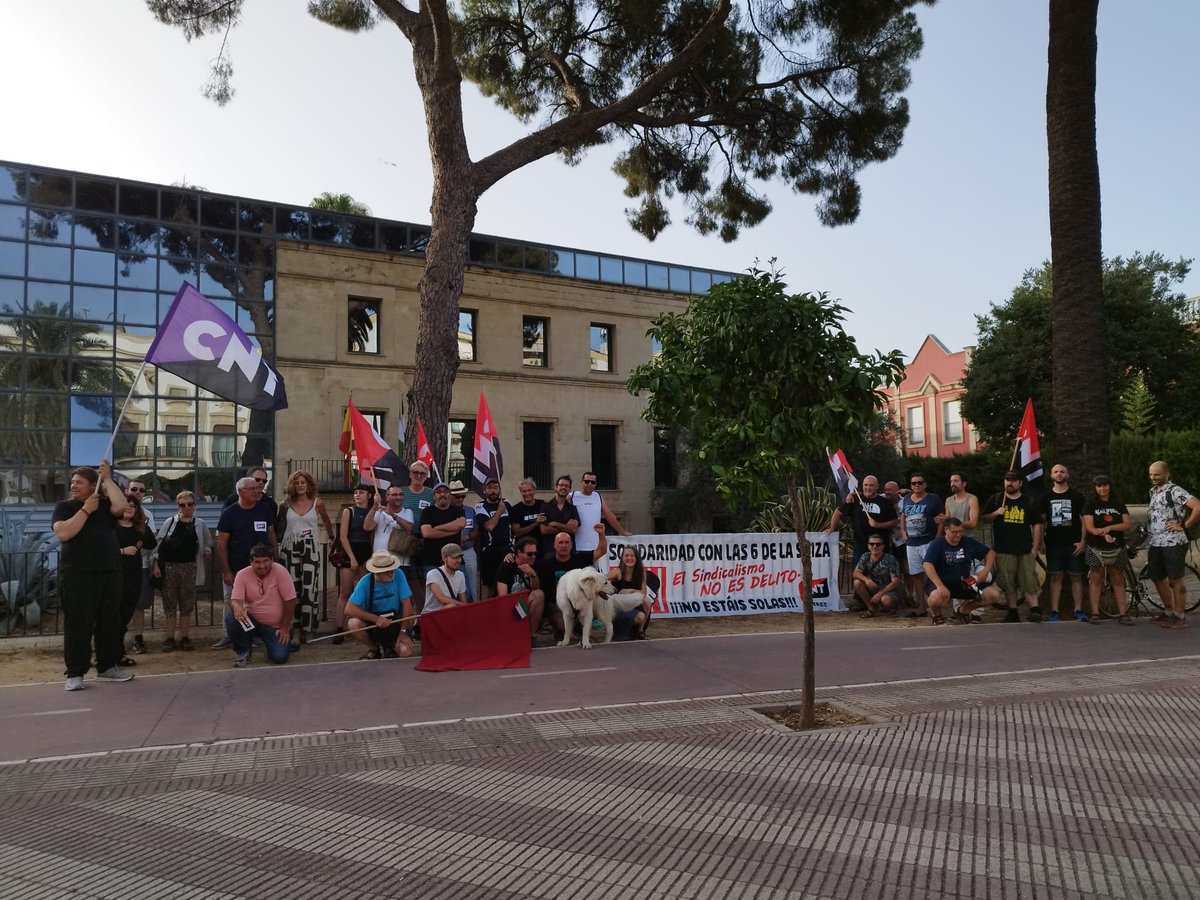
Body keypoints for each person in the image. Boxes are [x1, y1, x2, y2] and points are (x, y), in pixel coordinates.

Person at [51, 461, 131, 691]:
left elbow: (121, 506)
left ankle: (107, 667)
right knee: (78, 624)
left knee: (110, 622)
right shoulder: (65, 506)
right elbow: (64, 533)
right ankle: (75, 672)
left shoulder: (104, 505)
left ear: (92, 485)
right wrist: (86, 509)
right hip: (77, 574)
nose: (74, 486)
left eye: (80, 482)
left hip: (109, 572)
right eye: (72, 482)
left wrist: (106, 479)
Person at [214, 475, 278, 649]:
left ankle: (256, 634)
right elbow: (222, 545)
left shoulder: (264, 509)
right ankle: (229, 635)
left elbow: (272, 536)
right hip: (236, 568)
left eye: (259, 488)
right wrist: (226, 571)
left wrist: (276, 561)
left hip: (262, 568)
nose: (258, 491)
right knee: (232, 601)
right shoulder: (229, 513)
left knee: (259, 601)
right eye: (253, 489)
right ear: (241, 492)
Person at [277, 470, 335, 648]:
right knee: (292, 588)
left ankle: (307, 628)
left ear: (309, 485)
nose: (300, 485)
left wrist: (332, 538)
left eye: (303, 482)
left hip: (310, 548)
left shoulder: (318, 503)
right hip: (289, 548)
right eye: (297, 483)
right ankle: (292, 627)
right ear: (292, 486)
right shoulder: (285, 505)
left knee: (309, 588)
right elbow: (278, 526)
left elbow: (326, 521)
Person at [151, 490, 213, 652]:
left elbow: (207, 543)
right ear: (177, 506)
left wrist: (206, 550)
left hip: (190, 567)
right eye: (182, 505)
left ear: (195, 506)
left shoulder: (200, 524)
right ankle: (169, 637)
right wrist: (156, 564)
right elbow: (159, 545)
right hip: (170, 567)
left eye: (190, 504)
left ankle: (185, 636)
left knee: (187, 603)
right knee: (169, 604)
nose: (186, 507)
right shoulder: (170, 522)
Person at [982, 470, 1044, 623]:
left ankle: (1035, 610)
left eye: (1014, 480)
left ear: (1020, 483)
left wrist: (1035, 548)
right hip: (1003, 549)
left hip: (1025, 549)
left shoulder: (1028, 501)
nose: (1010, 483)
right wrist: (996, 513)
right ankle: (1013, 611)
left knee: (1029, 580)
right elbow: (985, 518)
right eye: (1007, 480)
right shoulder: (996, 500)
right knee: (1008, 582)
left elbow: (1037, 524)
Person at [1146, 460, 1200, 628]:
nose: (1153, 477)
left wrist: (1183, 525)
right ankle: (1168, 611)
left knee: (1176, 579)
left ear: (1166, 474)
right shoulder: (1152, 491)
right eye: (1151, 474)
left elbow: (1197, 506)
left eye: (1157, 474)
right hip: (1156, 541)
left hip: (1174, 541)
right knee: (1156, 576)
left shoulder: (1175, 490)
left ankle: (1180, 616)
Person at [225, 543, 296, 667]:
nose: (262, 566)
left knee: (279, 657)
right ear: (250, 562)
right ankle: (243, 651)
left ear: (272, 560)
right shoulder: (242, 574)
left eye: (265, 561)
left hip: (275, 627)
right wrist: (237, 607)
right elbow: (235, 600)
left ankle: (280, 641)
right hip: (251, 622)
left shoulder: (280, 571)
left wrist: (284, 627)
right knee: (231, 617)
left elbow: (290, 600)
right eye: (257, 562)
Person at [922, 517, 1003, 625]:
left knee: (993, 594)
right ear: (946, 529)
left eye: (960, 531)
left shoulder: (967, 542)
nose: (958, 535)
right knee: (937, 596)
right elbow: (927, 564)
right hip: (942, 581)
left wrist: (985, 571)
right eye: (954, 532)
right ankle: (936, 615)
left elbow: (990, 553)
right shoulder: (937, 544)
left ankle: (963, 611)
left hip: (964, 582)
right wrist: (939, 585)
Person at [535, 524, 608, 640]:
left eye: (566, 542)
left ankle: (578, 627)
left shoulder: (579, 558)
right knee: (563, 624)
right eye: (560, 542)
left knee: (600, 603)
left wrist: (601, 533)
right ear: (554, 545)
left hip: (580, 602)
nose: (564, 545)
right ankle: (564, 629)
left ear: (571, 545)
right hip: (558, 604)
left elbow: (601, 551)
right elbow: (525, 560)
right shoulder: (545, 564)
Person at [1036, 463, 1087, 622]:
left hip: (1074, 545)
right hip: (1053, 544)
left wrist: (1082, 541)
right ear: (1051, 475)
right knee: (1055, 577)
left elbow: (1085, 521)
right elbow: (1041, 522)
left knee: (1076, 577)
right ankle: (1054, 611)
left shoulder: (1077, 497)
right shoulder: (1045, 497)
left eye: (1062, 471)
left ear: (1068, 475)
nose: (1059, 474)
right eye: (1056, 471)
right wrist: (1041, 542)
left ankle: (1078, 610)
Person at [1081, 476, 1134, 625]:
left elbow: (1127, 524)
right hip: (1096, 547)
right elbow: (1089, 527)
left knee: (1118, 578)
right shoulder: (1090, 504)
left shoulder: (1118, 504)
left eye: (1104, 485)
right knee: (1096, 578)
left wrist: (1110, 528)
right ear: (1095, 488)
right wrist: (1104, 534)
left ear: (1110, 486)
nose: (1102, 489)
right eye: (1098, 486)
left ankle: (1123, 614)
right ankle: (1095, 613)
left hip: (1117, 546)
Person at [344, 550, 415, 659]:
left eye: (392, 569)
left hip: (396, 623)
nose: (392, 573)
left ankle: (390, 647)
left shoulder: (399, 574)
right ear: (377, 572)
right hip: (375, 626)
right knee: (353, 623)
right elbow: (349, 609)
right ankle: (374, 648)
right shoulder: (365, 582)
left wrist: (403, 631)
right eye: (387, 571)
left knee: (405, 652)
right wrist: (375, 619)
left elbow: (407, 605)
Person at [333, 483, 379, 643]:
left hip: (367, 554)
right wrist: (352, 557)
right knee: (345, 592)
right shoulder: (349, 511)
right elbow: (343, 536)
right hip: (350, 553)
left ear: (369, 495)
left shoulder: (374, 512)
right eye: (355, 492)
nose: (357, 495)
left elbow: (372, 530)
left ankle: (362, 624)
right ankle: (340, 628)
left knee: (365, 592)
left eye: (361, 492)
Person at [116, 494, 157, 664]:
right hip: (113, 576)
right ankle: (108, 653)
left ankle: (119, 653)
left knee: (126, 614)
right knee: (111, 616)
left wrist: (140, 549)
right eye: (125, 505)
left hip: (133, 576)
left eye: (132, 506)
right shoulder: (110, 527)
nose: (128, 508)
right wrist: (122, 551)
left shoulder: (141, 528)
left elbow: (151, 544)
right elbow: (99, 549)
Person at [825, 475, 897, 567]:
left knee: (880, 574)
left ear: (877, 487)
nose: (868, 488)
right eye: (865, 485)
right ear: (862, 486)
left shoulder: (885, 502)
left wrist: (878, 525)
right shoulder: (855, 499)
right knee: (859, 574)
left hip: (879, 545)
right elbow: (838, 512)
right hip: (860, 543)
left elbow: (894, 522)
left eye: (871, 485)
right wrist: (832, 527)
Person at [899, 473, 943, 616]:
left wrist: (937, 537)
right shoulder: (906, 499)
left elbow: (941, 518)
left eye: (919, 482)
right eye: (913, 483)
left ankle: (936, 605)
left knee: (932, 574)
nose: (916, 485)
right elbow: (903, 516)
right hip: (912, 544)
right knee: (917, 575)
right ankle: (921, 607)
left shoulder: (933, 499)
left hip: (928, 542)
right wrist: (903, 532)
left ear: (925, 484)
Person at [494, 536, 546, 643]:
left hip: (523, 607)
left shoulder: (533, 564)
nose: (533, 556)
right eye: (529, 554)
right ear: (519, 552)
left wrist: (533, 574)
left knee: (539, 594)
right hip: (509, 610)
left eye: (535, 553)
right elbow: (502, 598)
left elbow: (536, 588)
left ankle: (530, 635)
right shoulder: (506, 566)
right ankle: (512, 632)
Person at [400, 461, 436, 612]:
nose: (418, 476)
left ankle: (422, 615)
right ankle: (417, 615)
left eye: (422, 473)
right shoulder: (401, 493)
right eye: (415, 473)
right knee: (411, 582)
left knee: (426, 579)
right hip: (406, 540)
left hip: (427, 540)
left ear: (426, 476)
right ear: (410, 474)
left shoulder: (431, 493)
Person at [570, 472, 629, 561]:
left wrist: (622, 531)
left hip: (595, 548)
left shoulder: (598, 496)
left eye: (592, 482)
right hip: (577, 547)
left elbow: (609, 515)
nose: (589, 484)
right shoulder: (572, 496)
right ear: (581, 482)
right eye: (586, 481)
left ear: (596, 484)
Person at [474, 477, 514, 598]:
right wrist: (499, 511)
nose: (493, 491)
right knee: (490, 586)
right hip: (490, 551)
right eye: (489, 488)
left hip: (507, 550)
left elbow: (514, 525)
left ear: (500, 489)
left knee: (509, 584)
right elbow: (489, 526)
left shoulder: (507, 503)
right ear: (484, 490)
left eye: (495, 487)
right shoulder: (480, 506)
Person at [421, 483, 468, 583]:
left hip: (456, 560)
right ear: (434, 496)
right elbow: (427, 533)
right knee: (435, 595)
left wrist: (437, 528)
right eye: (438, 492)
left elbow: (460, 524)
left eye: (446, 492)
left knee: (464, 594)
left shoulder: (458, 510)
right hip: (432, 561)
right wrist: (453, 530)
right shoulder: (427, 512)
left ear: (450, 495)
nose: (442, 494)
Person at [607, 544, 652, 640]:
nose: (629, 558)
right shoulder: (617, 572)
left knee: (647, 601)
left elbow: (643, 593)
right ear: (622, 558)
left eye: (632, 555)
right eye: (626, 555)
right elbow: (602, 579)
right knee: (640, 616)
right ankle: (619, 631)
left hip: (633, 605)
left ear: (636, 558)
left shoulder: (641, 573)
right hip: (619, 607)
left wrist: (630, 590)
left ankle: (640, 631)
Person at [852, 537, 903, 618]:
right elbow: (855, 573)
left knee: (886, 600)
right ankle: (871, 609)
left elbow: (895, 582)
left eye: (878, 544)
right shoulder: (866, 556)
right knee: (857, 582)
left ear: (883, 546)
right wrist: (866, 579)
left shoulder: (890, 559)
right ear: (868, 546)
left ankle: (894, 607)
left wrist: (880, 594)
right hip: (874, 585)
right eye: (871, 544)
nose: (874, 546)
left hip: (889, 588)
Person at [448, 480, 478, 602]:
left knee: (471, 584)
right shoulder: (446, 511)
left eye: (463, 496)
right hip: (451, 553)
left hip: (468, 550)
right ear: (450, 496)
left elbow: (476, 530)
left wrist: (468, 537)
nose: (460, 499)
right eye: (457, 496)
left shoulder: (470, 511)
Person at [540, 474, 580, 556]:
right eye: (561, 485)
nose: (563, 487)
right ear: (556, 487)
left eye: (566, 486)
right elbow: (544, 530)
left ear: (569, 489)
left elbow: (574, 530)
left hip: (569, 554)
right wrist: (566, 528)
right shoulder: (545, 506)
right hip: (550, 552)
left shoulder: (573, 508)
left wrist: (555, 524)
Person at [424, 542, 469, 612]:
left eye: (460, 557)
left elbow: (463, 599)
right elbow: (441, 598)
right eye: (454, 557)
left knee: (453, 606)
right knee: (452, 606)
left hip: (449, 613)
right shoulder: (433, 574)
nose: (458, 560)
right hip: (432, 613)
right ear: (444, 558)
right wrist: (462, 605)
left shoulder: (460, 575)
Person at [511, 478, 546, 547]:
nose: (527, 493)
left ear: (534, 491)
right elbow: (517, 532)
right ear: (521, 492)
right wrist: (536, 523)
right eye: (524, 491)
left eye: (529, 490)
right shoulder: (515, 509)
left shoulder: (543, 505)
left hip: (541, 548)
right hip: (523, 549)